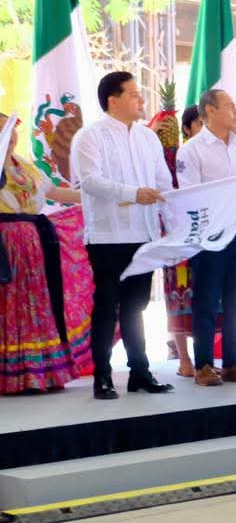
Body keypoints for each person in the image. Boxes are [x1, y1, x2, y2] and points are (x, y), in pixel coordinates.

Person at [69, 71, 173, 399]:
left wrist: (174, 214)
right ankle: (102, 376)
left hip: (144, 234)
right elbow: (90, 181)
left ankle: (139, 372)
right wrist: (133, 193)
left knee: (136, 307)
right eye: (133, 94)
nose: (141, 99)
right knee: (106, 307)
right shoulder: (89, 136)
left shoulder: (148, 138)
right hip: (108, 237)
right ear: (113, 100)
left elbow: (163, 182)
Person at [174, 88, 236, 387]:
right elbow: (191, 196)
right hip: (211, 235)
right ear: (210, 110)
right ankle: (204, 365)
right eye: (230, 105)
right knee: (207, 300)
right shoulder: (192, 150)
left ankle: (233, 363)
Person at [0, 113, 84, 393]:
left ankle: (39, 372)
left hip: (33, 244)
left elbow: (54, 193)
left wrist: (92, 198)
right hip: (5, 245)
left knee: (35, 303)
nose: (9, 135)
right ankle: (13, 375)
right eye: (2, 130)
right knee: (10, 305)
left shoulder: (24, 165)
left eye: (10, 129)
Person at [162, 104, 204, 377]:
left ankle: (203, 359)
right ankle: (184, 359)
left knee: (205, 298)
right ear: (186, 129)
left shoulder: (213, 152)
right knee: (178, 297)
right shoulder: (173, 156)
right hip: (177, 236)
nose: (203, 129)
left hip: (204, 236)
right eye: (198, 124)